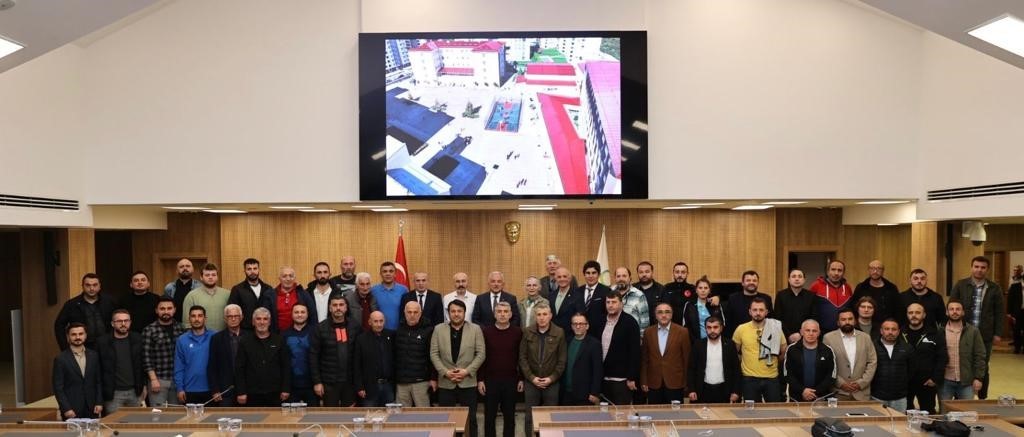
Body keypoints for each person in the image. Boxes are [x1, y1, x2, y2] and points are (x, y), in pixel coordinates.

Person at [950, 256, 1004, 399]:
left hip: (985, 334)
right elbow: (952, 305)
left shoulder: (994, 288)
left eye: (983, 267)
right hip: (963, 333)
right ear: (972, 267)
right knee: (962, 363)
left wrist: (998, 333)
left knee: (982, 366)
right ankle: (961, 396)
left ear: (987, 269)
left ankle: (981, 398)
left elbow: (999, 312)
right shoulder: (961, 285)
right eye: (976, 266)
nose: (979, 270)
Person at [431, 300, 486, 437]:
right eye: (453, 311)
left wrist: (467, 371)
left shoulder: (475, 329)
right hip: (446, 382)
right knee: (446, 420)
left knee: (471, 420)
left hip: (468, 382)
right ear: (448, 313)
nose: (456, 314)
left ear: (465, 313)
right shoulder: (438, 329)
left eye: (459, 311)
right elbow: (434, 354)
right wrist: (445, 372)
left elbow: (481, 354)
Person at [519, 302, 565, 435]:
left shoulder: (559, 332)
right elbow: (522, 357)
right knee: (529, 417)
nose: (542, 317)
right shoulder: (527, 331)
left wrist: (552, 378)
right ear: (535, 316)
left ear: (550, 316)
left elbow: (562, 360)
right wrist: (531, 377)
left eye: (545, 314)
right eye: (539, 314)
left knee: (550, 417)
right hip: (531, 382)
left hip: (551, 382)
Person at [479, 302, 523, 437]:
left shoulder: (518, 332)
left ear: (510, 314)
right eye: (499, 311)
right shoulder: (486, 332)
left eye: (505, 311)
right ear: (494, 314)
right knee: (489, 416)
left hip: (511, 380)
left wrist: (521, 378)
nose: (502, 314)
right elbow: (481, 357)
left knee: (509, 416)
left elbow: (521, 357)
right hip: (490, 380)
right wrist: (480, 379)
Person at [589, 292, 640, 405]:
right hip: (603, 378)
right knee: (604, 412)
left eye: (614, 302)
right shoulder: (599, 321)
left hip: (621, 380)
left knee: (621, 412)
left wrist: (631, 377)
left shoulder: (630, 323)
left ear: (621, 304)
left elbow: (635, 352)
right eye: (608, 302)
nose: (610, 305)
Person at [310, 295, 361, 406]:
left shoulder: (355, 327)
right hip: (329, 382)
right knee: (330, 414)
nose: (338, 308)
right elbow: (313, 357)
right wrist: (317, 382)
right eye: (335, 305)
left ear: (346, 308)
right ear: (330, 308)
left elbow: (360, 356)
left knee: (350, 414)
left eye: (341, 305)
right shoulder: (320, 328)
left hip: (350, 382)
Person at [235, 307, 292, 407]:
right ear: (253, 322)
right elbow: (239, 368)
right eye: (258, 319)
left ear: (269, 322)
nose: (262, 322)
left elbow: (286, 366)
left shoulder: (279, 340)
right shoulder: (245, 341)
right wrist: (241, 391)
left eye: (265, 319)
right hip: (252, 393)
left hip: (275, 392)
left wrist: (286, 389)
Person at [732, 296, 785, 402]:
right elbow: (733, 353)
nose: (758, 313)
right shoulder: (741, 329)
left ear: (766, 312)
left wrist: (774, 361)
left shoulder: (775, 327)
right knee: (751, 411)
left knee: (774, 410)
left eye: (761, 310)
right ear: (750, 312)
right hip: (749, 378)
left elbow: (783, 350)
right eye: (755, 310)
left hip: (771, 378)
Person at [939, 299, 987, 405]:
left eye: (958, 309)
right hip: (945, 381)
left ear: (963, 312)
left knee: (968, 412)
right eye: (951, 309)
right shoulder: (940, 331)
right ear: (947, 312)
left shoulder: (973, 331)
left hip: (966, 382)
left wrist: (978, 378)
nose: (954, 312)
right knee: (944, 411)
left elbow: (980, 356)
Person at [822, 308, 877, 401]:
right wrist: (840, 383)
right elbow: (826, 364)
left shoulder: (865, 337)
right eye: (843, 319)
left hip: (861, 393)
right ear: (838, 322)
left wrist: (861, 383)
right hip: (838, 393)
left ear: (855, 321)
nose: (847, 322)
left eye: (850, 319)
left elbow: (872, 361)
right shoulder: (828, 338)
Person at [640, 303, 690, 403]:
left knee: (676, 412)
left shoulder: (682, 332)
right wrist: (644, 380)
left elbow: (686, 358)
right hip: (653, 382)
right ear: (655, 315)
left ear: (672, 314)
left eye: (667, 312)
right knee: (655, 412)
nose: (663, 315)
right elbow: (644, 359)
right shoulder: (648, 332)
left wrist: (686, 382)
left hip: (676, 382)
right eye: (660, 312)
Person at [96, 310, 145, 413]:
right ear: (112, 323)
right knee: (113, 422)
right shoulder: (102, 342)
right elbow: (97, 370)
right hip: (113, 393)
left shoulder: (138, 339)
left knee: (135, 422)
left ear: (130, 322)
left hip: (135, 392)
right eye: (119, 321)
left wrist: (144, 386)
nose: (123, 324)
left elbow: (142, 364)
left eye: (126, 321)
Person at [142, 296, 185, 407]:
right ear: (157, 310)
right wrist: (153, 379)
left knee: (178, 413)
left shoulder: (181, 328)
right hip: (158, 379)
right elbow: (146, 357)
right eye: (162, 309)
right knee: (158, 413)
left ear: (174, 310)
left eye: (169, 308)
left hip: (178, 380)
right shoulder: (149, 330)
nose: (166, 311)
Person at [53, 323, 103, 419]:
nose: (77, 337)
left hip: (92, 407)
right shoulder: (60, 359)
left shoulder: (94, 356)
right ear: (68, 337)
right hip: (72, 409)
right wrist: (66, 408)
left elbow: (98, 382)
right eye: (74, 334)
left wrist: (99, 402)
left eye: (81, 334)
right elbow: (58, 388)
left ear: (85, 335)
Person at [904, 303, 947, 413]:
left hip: (927, 382)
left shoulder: (935, 334)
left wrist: (935, 378)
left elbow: (942, 357)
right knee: (905, 413)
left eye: (918, 312)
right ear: (907, 315)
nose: (914, 315)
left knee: (928, 413)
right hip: (904, 382)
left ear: (924, 315)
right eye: (910, 312)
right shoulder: (900, 334)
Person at [55, 273, 114, 350]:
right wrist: (65, 347)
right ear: (82, 286)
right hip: (82, 347)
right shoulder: (72, 304)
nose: (91, 288)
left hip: (107, 346)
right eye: (88, 285)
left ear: (100, 286)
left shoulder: (109, 302)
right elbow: (59, 325)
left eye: (95, 285)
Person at [688, 316, 741, 404]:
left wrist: (736, 391)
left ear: (721, 328)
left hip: (724, 389)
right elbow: (691, 369)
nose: (712, 330)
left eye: (715, 327)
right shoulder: (698, 345)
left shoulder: (729, 345)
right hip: (702, 390)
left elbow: (736, 369)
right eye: (709, 327)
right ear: (705, 328)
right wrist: (691, 389)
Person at [395, 301, 437, 407]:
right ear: (404, 312)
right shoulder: (399, 330)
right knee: (401, 414)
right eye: (409, 312)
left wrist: (433, 378)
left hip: (421, 381)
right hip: (401, 382)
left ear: (420, 313)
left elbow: (433, 356)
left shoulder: (429, 330)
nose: (412, 315)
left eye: (415, 312)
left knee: (423, 413)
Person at [784, 320, 836, 402]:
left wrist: (814, 392)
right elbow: (787, 374)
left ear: (819, 333)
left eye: (814, 331)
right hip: (796, 397)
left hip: (820, 397)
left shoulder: (827, 350)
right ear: (801, 332)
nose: (811, 333)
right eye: (807, 330)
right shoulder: (792, 349)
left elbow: (831, 375)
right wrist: (803, 390)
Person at [354, 311, 397, 407]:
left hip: (388, 386)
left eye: (381, 321)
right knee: (370, 414)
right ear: (370, 322)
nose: (379, 324)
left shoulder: (391, 336)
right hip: (369, 387)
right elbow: (357, 365)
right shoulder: (361, 339)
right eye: (376, 321)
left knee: (390, 414)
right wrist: (360, 387)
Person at [174, 305, 214, 404]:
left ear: (205, 318)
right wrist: (180, 388)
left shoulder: (214, 337)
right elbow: (179, 366)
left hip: (212, 389)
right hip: (189, 390)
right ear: (189, 319)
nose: (196, 319)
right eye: (193, 316)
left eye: (200, 316)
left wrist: (219, 388)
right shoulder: (182, 340)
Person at [560, 313, 603, 406]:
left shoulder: (594, 344)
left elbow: (598, 370)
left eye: (581, 324)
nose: (578, 326)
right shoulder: (567, 341)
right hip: (566, 393)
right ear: (572, 326)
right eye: (575, 324)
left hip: (585, 395)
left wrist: (594, 392)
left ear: (587, 326)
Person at [871, 319, 911, 412]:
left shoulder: (907, 348)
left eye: (893, 329)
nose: (890, 332)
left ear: (898, 331)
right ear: (881, 331)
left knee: (899, 421)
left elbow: (912, 369)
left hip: (899, 397)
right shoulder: (872, 346)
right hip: (877, 396)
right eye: (887, 329)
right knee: (877, 420)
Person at [207, 304, 243, 406]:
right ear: (225, 319)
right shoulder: (216, 338)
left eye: (236, 316)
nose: (233, 319)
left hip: (246, 391)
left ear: (241, 317)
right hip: (224, 391)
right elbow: (212, 366)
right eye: (229, 316)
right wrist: (215, 390)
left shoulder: (249, 337)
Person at [283, 303, 318, 405]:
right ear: (292, 314)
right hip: (291, 386)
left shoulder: (315, 332)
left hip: (312, 385)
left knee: (314, 414)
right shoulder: (284, 334)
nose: (299, 315)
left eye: (303, 312)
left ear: (307, 314)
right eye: (296, 312)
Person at [723, 271, 773, 340]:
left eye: (754, 280)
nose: (751, 282)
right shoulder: (733, 299)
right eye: (748, 280)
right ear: (742, 283)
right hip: (739, 339)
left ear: (758, 282)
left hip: (762, 339)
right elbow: (728, 321)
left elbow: (771, 321)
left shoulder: (766, 298)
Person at [228, 258, 274, 330]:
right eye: (249, 269)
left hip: (266, 330)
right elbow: (232, 312)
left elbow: (273, 310)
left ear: (259, 270)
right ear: (244, 271)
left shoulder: (268, 288)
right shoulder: (237, 289)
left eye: (255, 268)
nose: (252, 271)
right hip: (246, 331)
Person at [181, 263, 230, 331]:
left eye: (213, 275)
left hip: (223, 336)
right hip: (200, 336)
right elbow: (187, 324)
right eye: (207, 275)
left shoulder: (227, 294)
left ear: (217, 277)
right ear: (201, 277)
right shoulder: (191, 296)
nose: (210, 277)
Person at [774, 269, 818, 344]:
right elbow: (777, 318)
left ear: (804, 280)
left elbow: (813, 318)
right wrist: (788, 335)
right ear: (789, 279)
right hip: (784, 337)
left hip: (806, 337)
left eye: (800, 276)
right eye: (793, 276)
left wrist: (801, 333)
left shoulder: (811, 296)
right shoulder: (781, 295)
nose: (797, 279)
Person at [269, 266, 317, 333]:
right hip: (277, 334)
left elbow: (313, 315)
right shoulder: (270, 295)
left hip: (300, 334)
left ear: (294, 278)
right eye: (284, 276)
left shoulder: (303, 294)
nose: (288, 279)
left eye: (291, 276)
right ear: (279, 278)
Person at [811, 260, 854, 332]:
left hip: (844, 330)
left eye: (839, 270)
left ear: (843, 273)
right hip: (822, 331)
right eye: (833, 269)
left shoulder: (847, 287)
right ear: (827, 271)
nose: (836, 273)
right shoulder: (816, 286)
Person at [682, 276, 726, 344]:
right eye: (700, 288)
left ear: (709, 290)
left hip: (714, 342)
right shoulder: (689, 305)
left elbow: (722, 324)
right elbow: (685, 326)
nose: (703, 290)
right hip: (696, 343)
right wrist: (695, 343)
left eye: (706, 288)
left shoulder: (715, 305)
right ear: (696, 290)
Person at [371, 261, 409, 331]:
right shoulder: (373, 290)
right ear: (380, 274)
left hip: (399, 331)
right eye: (384, 271)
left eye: (391, 271)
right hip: (379, 331)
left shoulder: (404, 290)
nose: (388, 274)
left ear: (395, 274)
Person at [613, 267, 650, 332]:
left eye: (624, 276)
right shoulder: (610, 292)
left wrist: (641, 337)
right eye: (618, 276)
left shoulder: (639, 295)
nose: (621, 279)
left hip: (633, 336)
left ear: (630, 278)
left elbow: (645, 322)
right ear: (615, 278)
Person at [164, 258, 201, 324]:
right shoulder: (169, 287)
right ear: (177, 271)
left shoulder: (200, 287)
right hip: (174, 324)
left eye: (188, 266)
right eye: (181, 267)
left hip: (194, 324)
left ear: (193, 269)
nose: (185, 268)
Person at [549, 267, 580, 333]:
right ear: (555, 279)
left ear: (570, 278)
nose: (562, 279)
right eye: (559, 277)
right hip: (553, 334)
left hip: (570, 334)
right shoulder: (551, 295)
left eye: (565, 276)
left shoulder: (578, 296)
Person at [634, 261, 666, 326]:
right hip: (636, 327)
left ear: (652, 272)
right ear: (637, 273)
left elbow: (665, 311)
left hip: (655, 328)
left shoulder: (661, 289)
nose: (644, 274)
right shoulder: (632, 289)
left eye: (647, 271)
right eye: (641, 272)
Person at [1010, 271, 1024, 354]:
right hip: (1018, 311)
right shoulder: (1015, 286)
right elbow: (1010, 300)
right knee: (1016, 330)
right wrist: (1009, 313)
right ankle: (1017, 347)